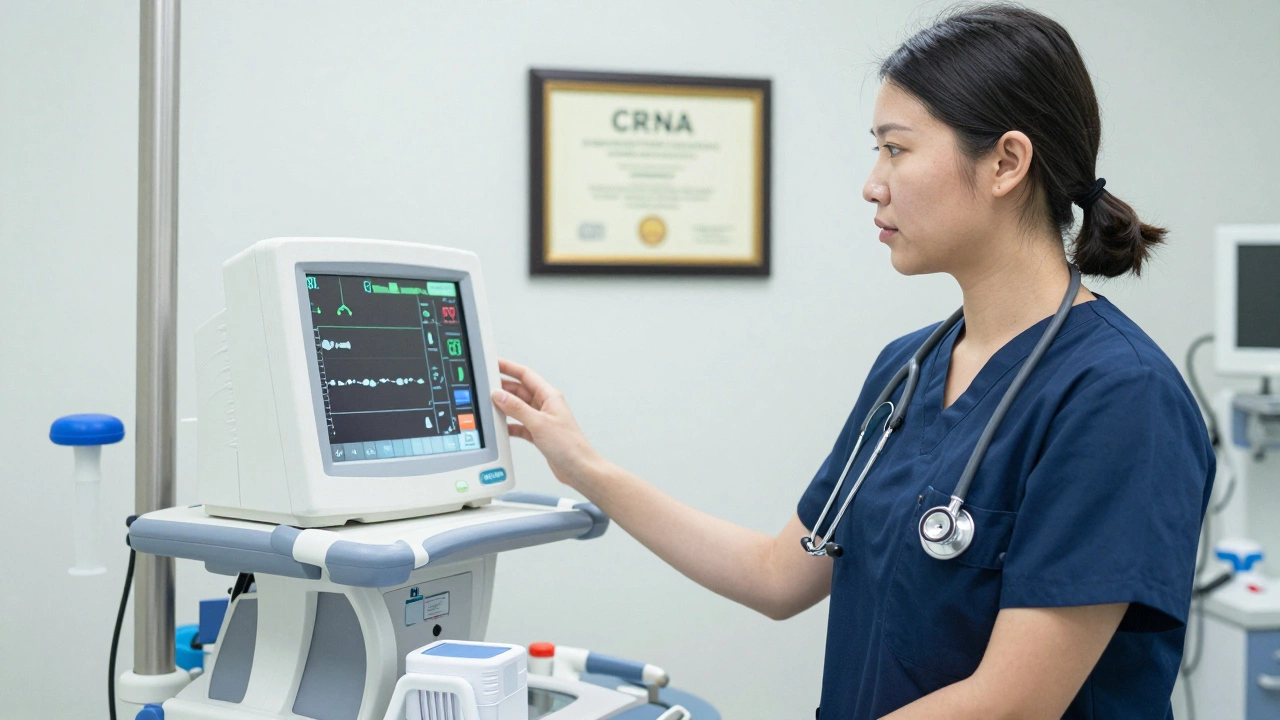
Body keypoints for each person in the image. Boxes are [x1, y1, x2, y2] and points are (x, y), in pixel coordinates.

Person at [491, 4, 1215, 718]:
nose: (873, 182)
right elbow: (778, 575)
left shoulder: (1121, 396)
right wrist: (584, 467)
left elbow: (1014, 704)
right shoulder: (908, 369)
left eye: (896, 149)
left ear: (1005, 163)